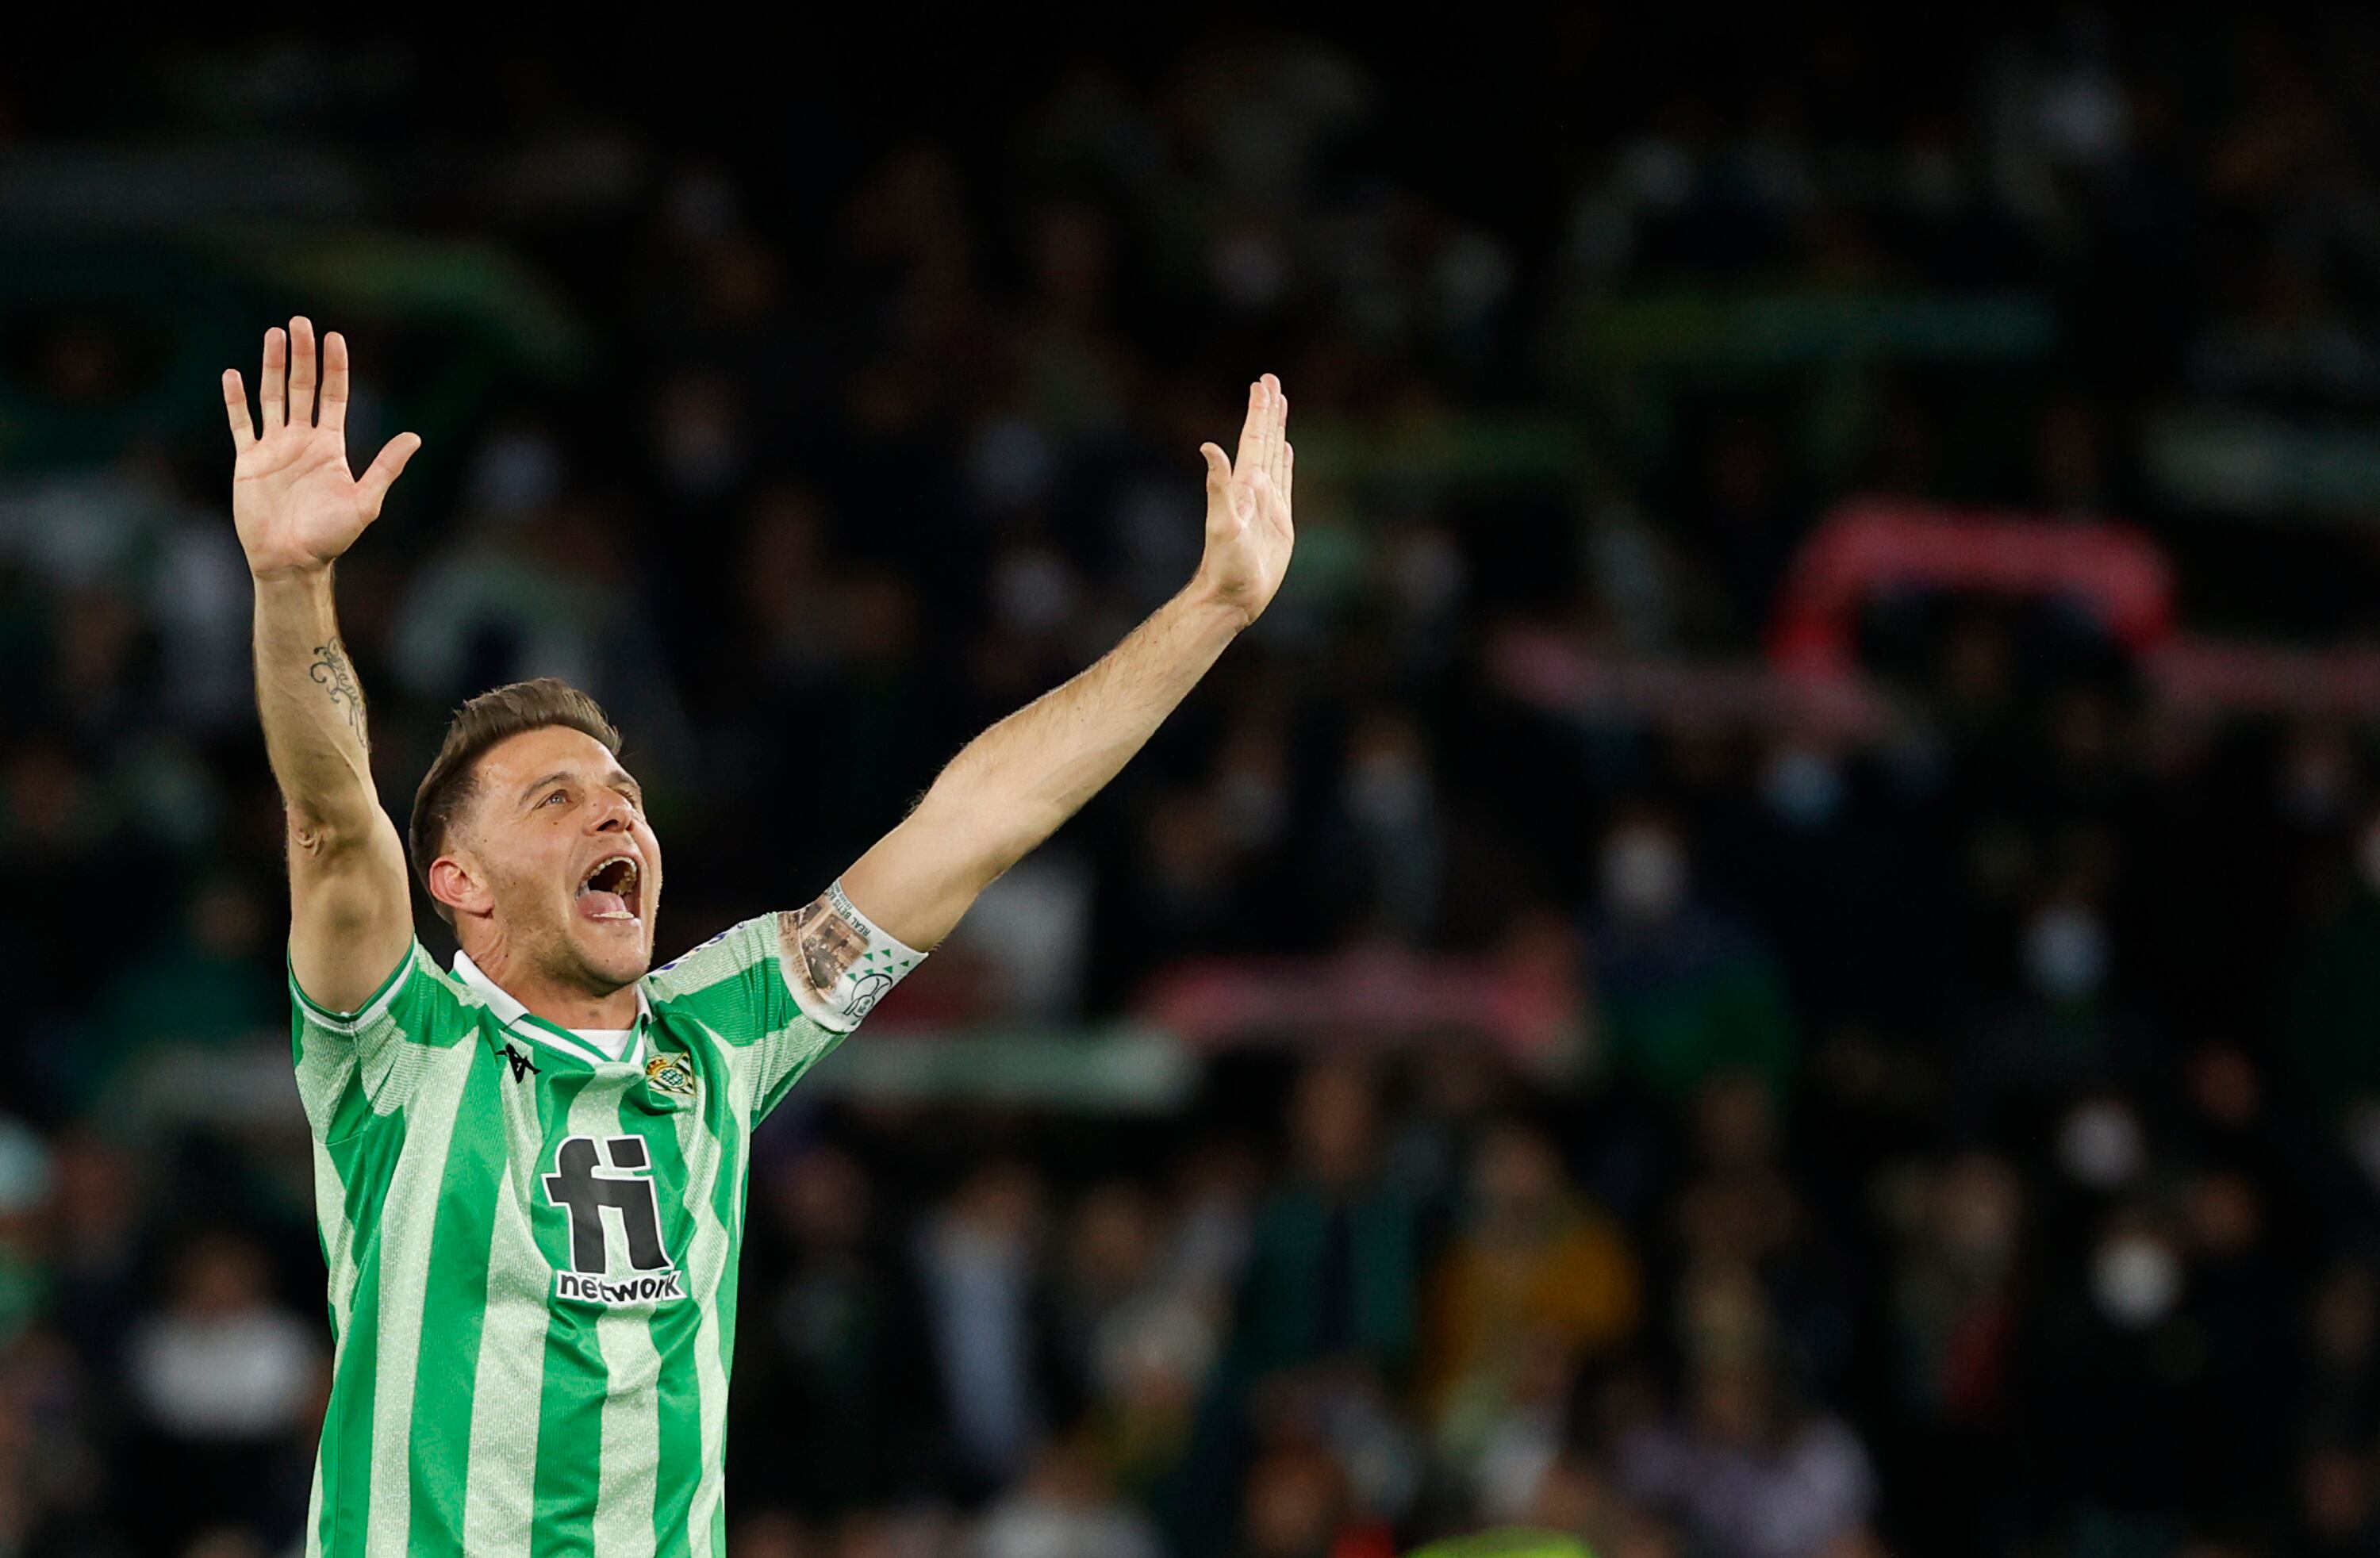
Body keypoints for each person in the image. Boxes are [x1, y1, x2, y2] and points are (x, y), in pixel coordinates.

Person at [220, 316, 1296, 1556]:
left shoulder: (721, 1032)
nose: (613, 807)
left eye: (622, 791)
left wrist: (1213, 607)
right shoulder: (405, 1049)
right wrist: (292, 582)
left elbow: (981, 818)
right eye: (555, 799)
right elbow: (332, 828)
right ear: (455, 883)